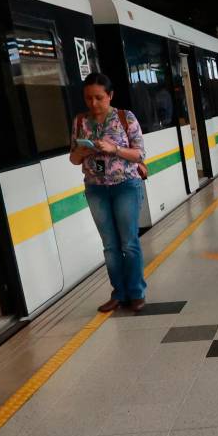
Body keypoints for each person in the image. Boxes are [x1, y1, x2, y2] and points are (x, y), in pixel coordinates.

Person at [70, 72, 148, 313]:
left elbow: (140, 155)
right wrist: (82, 153)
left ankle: (136, 292)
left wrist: (114, 149)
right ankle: (119, 293)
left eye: (98, 98)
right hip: (96, 189)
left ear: (110, 96)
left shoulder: (125, 118)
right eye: (88, 98)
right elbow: (73, 158)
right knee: (110, 246)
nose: (93, 104)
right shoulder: (80, 121)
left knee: (129, 243)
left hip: (125, 185)